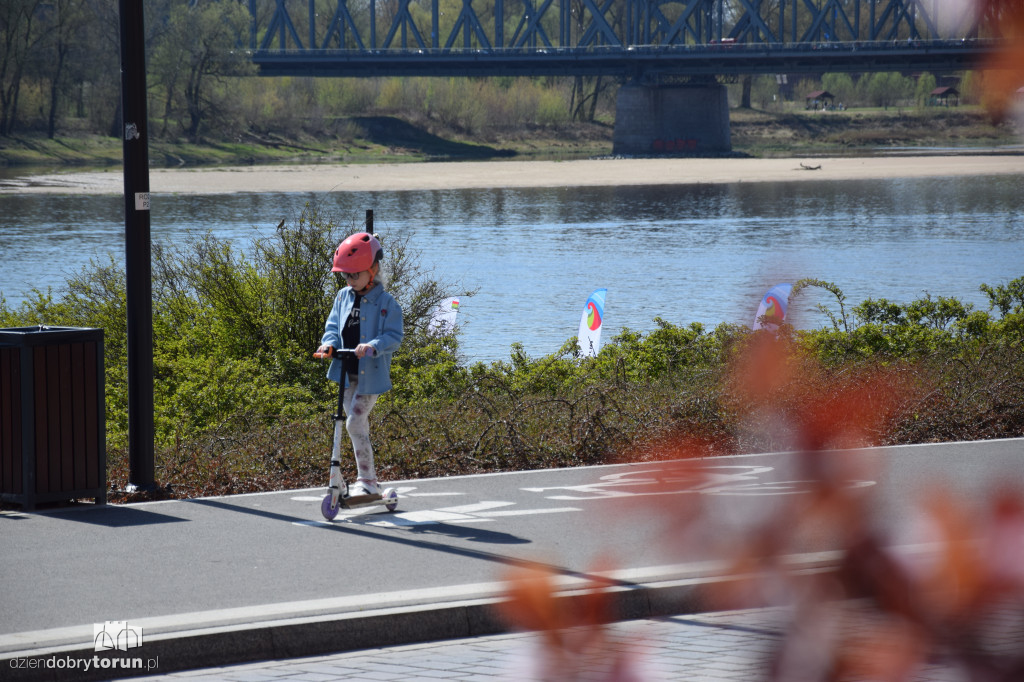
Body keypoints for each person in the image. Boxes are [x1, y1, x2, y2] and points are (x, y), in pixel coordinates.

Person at [316, 232, 404, 497]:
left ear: (373, 270)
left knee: (354, 422)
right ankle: (368, 481)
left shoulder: (387, 304)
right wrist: (327, 344)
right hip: (345, 373)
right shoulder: (343, 297)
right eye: (346, 275)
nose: (350, 280)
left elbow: (394, 337)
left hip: (370, 377)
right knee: (356, 426)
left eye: (355, 274)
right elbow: (332, 326)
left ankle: (366, 480)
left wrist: (373, 345)